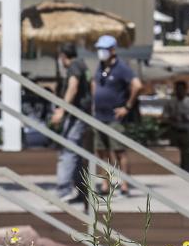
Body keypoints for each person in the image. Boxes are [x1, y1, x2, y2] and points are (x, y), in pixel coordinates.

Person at [90, 35, 142, 196]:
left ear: (112, 50)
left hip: (114, 116)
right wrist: (94, 101)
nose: (101, 52)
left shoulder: (121, 68)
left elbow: (137, 85)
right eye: (99, 49)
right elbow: (94, 82)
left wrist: (127, 106)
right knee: (101, 151)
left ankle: (124, 183)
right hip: (99, 115)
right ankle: (106, 183)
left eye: (103, 49)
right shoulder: (100, 66)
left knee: (119, 151)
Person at [51, 43, 91, 204]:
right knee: (76, 152)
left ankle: (63, 189)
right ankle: (81, 189)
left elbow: (73, 87)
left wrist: (62, 109)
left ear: (62, 56)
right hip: (82, 114)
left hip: (76, 114)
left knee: (68, 150)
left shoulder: (74, 66)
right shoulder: (83, 64)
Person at [162, 80, 189, 173]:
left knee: (188, 151)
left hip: (187, 130)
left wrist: (186, 117)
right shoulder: (170, 102)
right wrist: (171, 118)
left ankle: (188, 170)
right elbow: (164, 116)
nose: (180, 91)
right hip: (174, 129)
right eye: (178, 89)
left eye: (182, 89)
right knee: (175, 152)